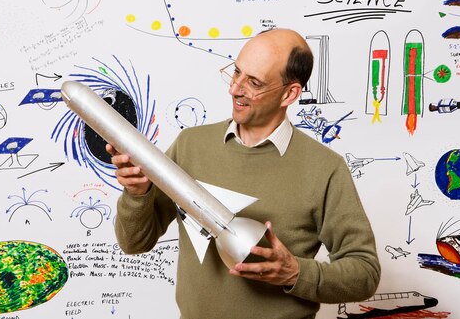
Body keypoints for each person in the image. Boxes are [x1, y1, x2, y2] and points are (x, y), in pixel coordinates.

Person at [107, 28, 380, 319]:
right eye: (236, 72)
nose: (235, 89)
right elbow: (134, 243)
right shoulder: (190, 145)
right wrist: (137, 195)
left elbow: (365, 273)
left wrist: (295, 273)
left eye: (254, 82)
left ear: (290, 94)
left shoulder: (325, 168)